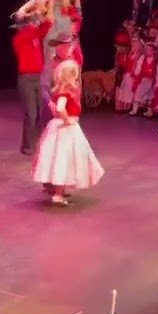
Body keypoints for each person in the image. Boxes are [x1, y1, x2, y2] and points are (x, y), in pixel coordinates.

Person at [32, 43, 105, 207]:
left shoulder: (66, 89)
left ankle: (60, 191)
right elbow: (59, 107)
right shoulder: (65, 91)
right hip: (64, 129)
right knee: (63, 159)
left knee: (67, 159)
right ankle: (57, 194)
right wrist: (67, 119)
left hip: (65, 128)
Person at [12, 12, 52, 155]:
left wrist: (45, 14)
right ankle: (27, 146)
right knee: (31, 113)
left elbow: (47, 25)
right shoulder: (19, 38)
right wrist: (35, 23)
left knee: (41, 112)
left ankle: (38, 143)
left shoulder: (34, 35)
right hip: (27, 79)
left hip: (38, 77)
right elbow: (30, 33)